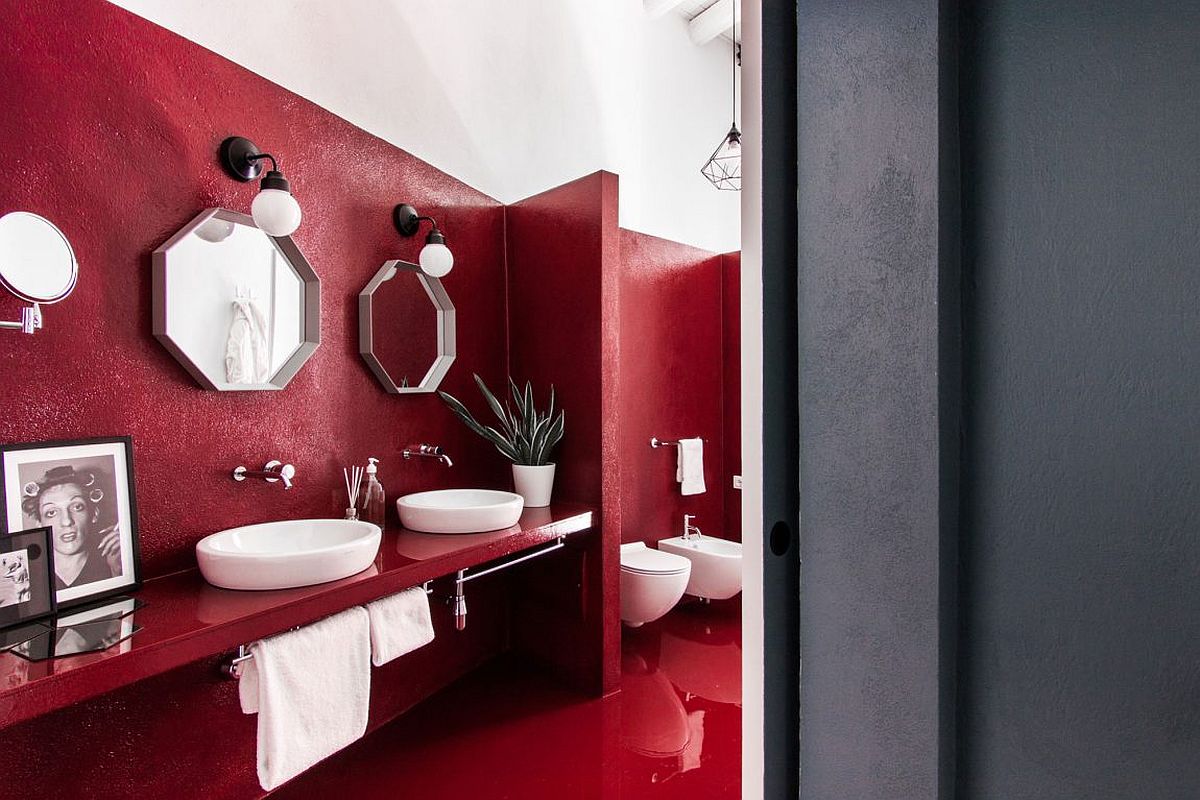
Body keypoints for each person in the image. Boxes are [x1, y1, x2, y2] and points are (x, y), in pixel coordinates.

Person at [21, 466, 121, 591]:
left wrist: (118, 572)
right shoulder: (24, 574)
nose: (66, 521)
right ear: (39, 523)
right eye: (51, 512)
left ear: (94, 514)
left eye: (77, 507)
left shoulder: (113, 564)